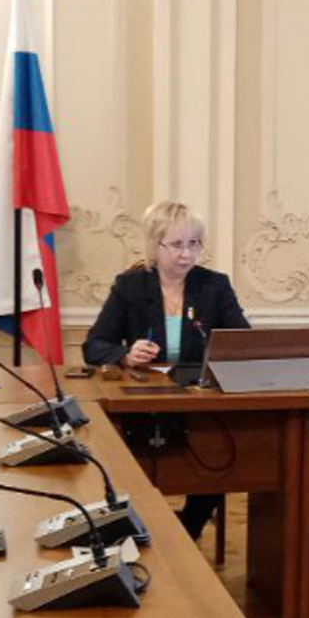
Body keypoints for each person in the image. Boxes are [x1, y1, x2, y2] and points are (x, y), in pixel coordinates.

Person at [83, 201, 249, 541]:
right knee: (128, 458)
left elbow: (242, 341)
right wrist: (126, 355)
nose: (187, 255)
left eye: (194, 244)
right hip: (144, 402)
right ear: (154, 245)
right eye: (176, 245)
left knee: (221, 450)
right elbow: (94, 345)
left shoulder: (214, 286)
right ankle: (139, 524)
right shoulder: (130, 286)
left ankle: (189, 529)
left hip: (201, 401)